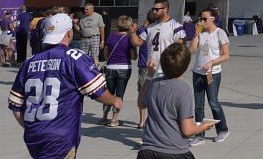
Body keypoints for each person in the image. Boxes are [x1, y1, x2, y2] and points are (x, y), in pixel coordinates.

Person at [9, 13, 120, 158]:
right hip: (60, 137)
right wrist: (114, 100)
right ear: (69, 32)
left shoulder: (29, 62)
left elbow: (16, 104)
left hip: (34, 136)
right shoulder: (74, 58)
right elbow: (98, 92)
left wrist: (33, 128)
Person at [138, 42, 217, 159]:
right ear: (185, 67)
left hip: (148, 150)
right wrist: (204, 126)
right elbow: (187, 130)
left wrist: (149, 76)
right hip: (174, 151)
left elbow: (141, 103)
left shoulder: (154, 84)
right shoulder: (183, 89)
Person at [188, 7, 230, 145]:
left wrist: (212, 62)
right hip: (198, 72)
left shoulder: (220, 33)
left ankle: (222, 130)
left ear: (213, 19)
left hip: (213, 73)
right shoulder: (201, 33)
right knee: (198, 106)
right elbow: (192, 50)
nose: (201, 21)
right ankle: (199, 135)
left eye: (204, 18)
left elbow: (226, 55)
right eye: (200, 18)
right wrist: (196, 34)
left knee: (213, 103)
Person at [102, 15, 135, 127]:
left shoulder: (111, 36)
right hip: (124, 67)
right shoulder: (129, 39)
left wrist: (108, 61)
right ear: (129, 26)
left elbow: (106, 51)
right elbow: (133, 56)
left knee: (109, 93)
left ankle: (104, 117)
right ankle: (114, 119)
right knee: (119, 94)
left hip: (111, 67)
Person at [133, 11, 155, 128]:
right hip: (155, 65)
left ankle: (142, 120)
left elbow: (135, 40)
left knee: (142, 92)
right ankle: (149, 120)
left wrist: (143, 24)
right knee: (154, 93)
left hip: (144, 65)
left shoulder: (142, 30)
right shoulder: (156, 30)